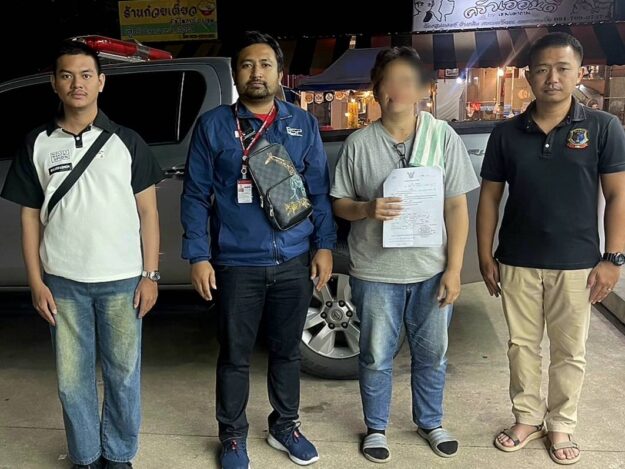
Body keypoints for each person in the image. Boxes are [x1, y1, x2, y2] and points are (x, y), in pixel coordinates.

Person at [0, 40, 162, 469]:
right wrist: (36, 282)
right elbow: (29, 218)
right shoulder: (37, 143)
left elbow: (148, 213)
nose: (78, 84)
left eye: (86, 75)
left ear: (101, 82)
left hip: (122, 280)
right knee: (72, 382)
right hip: (63, 282)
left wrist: (150, 275)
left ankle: (119, 455)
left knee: (123, 376)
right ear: (54, 83)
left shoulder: (127, 141)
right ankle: (86, 455)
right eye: (67, 75)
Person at [181, 31, 336, 469]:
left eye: (265, 64)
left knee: (287, 352)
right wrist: (198, 255)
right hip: (236, 263)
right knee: (234, 355)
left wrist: (324, 245)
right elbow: (195, 196)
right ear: (236, 74)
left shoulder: (301, 123)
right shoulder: (214, 125)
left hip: (293, 259)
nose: (256, 73)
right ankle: (232, 437)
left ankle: (285, 426)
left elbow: (318, 191)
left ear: (279, 72)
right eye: (247, 64)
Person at [477, 32, 625, 465]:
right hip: (517, 260)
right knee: (521, 346)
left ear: (579, 73)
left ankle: (561, 423)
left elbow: (618, 195)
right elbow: (489, 198)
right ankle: (526, 417)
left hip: (577, 264)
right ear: (529, 76)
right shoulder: (506, 133)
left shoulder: (602, 127)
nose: (552, 78)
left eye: (562, 68)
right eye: (542, 69)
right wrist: (485, 255)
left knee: (569, 351)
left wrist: (613, 258)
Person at [332, 46, 479, 463]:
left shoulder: (441, 137)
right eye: (388, 80)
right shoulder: (359, 143)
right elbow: (339, 203)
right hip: (376, 272)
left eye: (407, 80)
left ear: (422, 89)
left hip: (430, 270)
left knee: (432, 355)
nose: (397, 88)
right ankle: (376, 428)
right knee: (376, 356)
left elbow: (456, 207)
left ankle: (430, 421)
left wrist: (454, 269)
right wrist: (366, 209)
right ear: (376, 89)